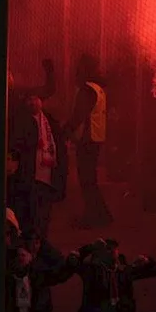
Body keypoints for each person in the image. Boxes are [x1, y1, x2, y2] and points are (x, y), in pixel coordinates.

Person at [11, 92, 67, 238]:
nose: (32, 102)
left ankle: (41, 238)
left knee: (45, 211)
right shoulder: (20, 121)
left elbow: (59, 146)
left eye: (35, 99)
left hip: (48, 173)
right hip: (30, 173)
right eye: (28, 99)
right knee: (31, 209)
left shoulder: (50, 121)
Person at [65, 54, 111, 229]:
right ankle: (101, 215)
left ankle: (95, 217)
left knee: (86, 180)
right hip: (96, 138)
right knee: (90, 179)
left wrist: (66, 131)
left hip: (87, 138)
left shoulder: (87, 90)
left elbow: (79, 115)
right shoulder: (99, 88)